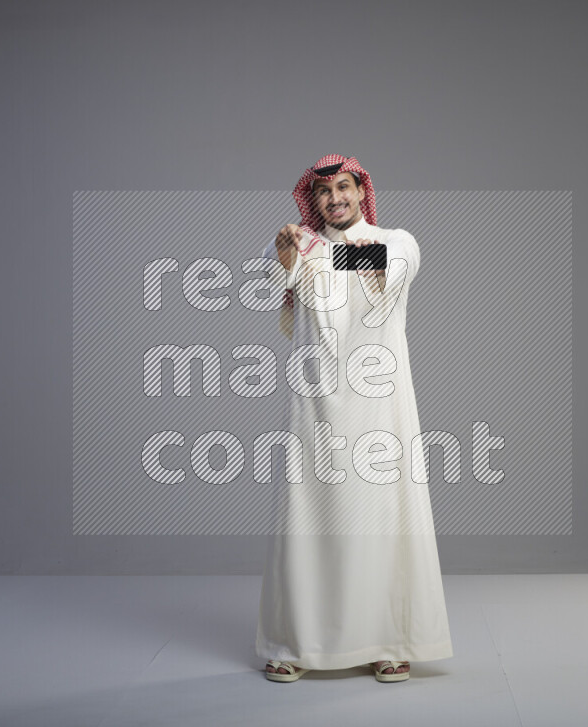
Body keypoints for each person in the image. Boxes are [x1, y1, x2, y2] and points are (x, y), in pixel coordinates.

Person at [255, 154, 453, 683]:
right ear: (312, 198)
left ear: (361, 192)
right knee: (306, 520)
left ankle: (389, 641)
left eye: (344, 187)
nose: (334, 199)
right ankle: (293, 642)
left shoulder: (397, 240)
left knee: (383, 520)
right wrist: (284, 262)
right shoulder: (300, 247)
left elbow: (393, 266)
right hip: (313, 408)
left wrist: (326, 259)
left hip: (378, 411)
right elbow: (287, 311)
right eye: (323, 191)